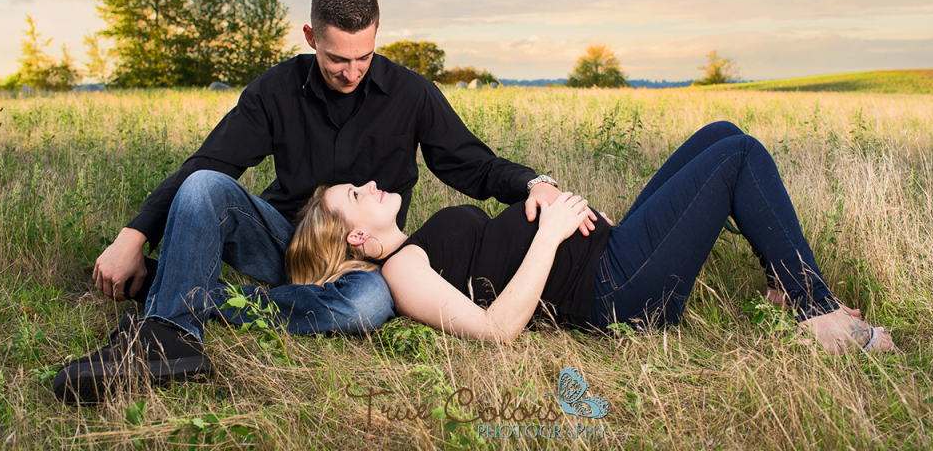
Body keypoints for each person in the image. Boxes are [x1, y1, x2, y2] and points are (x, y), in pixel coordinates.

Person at [54, 0, 588, 404]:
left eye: (364, 56)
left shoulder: (411, 94)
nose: (353, 70)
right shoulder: (275, 90)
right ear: (311, 38)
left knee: (369, 307)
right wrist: (132, 237)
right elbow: (212, 161)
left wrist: (532, 182)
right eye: (337, 59)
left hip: (360, 263)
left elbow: (470, 164)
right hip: (286, 241)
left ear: (376, 35)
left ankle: (200, 297)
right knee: (205, 186)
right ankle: (168, 337)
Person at [288, 121, 894, 353]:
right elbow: (498, 330)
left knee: (720, 133)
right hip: (613, 294)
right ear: (357, 237)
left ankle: (785, 286)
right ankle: (818, 313)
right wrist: (550, 236)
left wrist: (541, 197)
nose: (367, 183)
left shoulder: (417, 243)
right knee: (737, 156)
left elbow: (493, 250)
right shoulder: (401, 274)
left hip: (611, 252)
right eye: (354, 195)